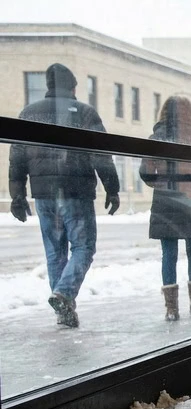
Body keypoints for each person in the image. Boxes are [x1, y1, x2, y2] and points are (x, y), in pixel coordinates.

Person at [8, 63, 120, 328]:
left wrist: (18, 196)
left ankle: (64, 312)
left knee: (55, 252)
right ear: (73, 87)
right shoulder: (84, 112)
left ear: (48, 86)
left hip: (44, 195)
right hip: (76, 192)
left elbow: (17, 159)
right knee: (84, 247)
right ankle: (64, 294)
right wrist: (112, 188)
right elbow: (101, 153)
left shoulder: (28, 113)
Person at [140, 96, 191, 321]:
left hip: (165, 200)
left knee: (169, 253)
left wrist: (160, 181)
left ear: (164, 114)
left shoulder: (155, 138)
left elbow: (145, 173)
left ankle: (171, 308)